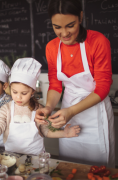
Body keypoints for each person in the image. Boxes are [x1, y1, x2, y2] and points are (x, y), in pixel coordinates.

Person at [35, 0, 115, 168]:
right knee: (70, 165)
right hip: (68, 109)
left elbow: (102, 88)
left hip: (95, 112)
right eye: (57, 27)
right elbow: (55, 84)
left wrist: (71, 111)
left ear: (80, 16)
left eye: (70, 25)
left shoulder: (98, 41)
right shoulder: (51, 48)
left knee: (98, 167)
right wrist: (48, 107)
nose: (64, 33)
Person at [0, 57, 80, 165]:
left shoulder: (39, 109)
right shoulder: (6, 109)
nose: (18, 97)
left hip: (36, 160)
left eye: (24, 93)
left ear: (32, 91)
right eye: (15, 92)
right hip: (11, 160)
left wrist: (64, 133)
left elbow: (46, 131)